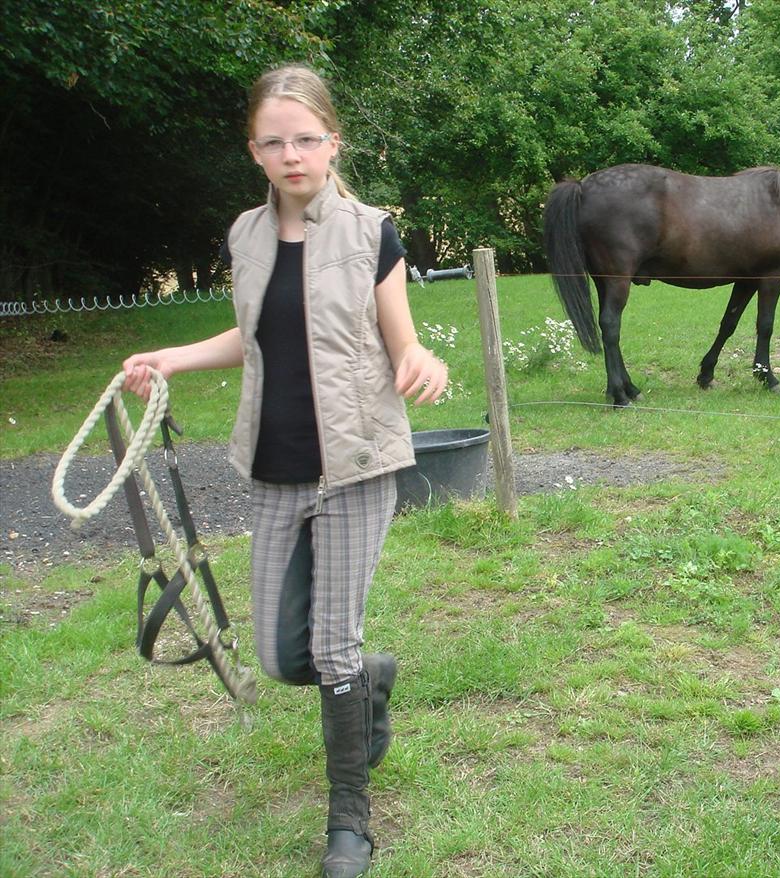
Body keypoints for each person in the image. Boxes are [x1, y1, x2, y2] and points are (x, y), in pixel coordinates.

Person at [123, 64, 448, 878]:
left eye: (307, 139)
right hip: (271, 467)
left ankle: (349, 826)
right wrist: (174, 357)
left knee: (330, 647)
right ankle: (370, 682)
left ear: (333, 143)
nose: (292, 154)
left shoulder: (373, 232)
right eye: (275, 142)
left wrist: (419, 359)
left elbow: (397, 337)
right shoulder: (245, 235)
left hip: (357, 464)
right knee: (278, 655)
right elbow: (255, 336)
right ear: (255, 152)